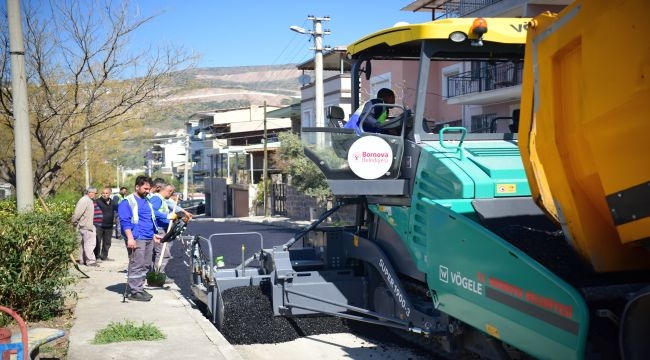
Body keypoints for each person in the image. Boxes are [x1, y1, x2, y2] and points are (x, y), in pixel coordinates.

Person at [118, 175, 165, 302]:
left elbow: (150, 218)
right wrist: (130, 238)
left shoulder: (147, 201)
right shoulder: (127, 201)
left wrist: (154, 234)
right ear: (137, 187)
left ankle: (140, 287)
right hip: (136, 237)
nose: (148, 191)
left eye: (149, 189)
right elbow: (124, 221)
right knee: (136, 264)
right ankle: (134, 291)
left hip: (149, 237)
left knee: (145, 265)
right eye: (145, 188)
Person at [149, 183, 187, 274]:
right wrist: (167, 216)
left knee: (158, 253)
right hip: (159, 229)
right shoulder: (157, 199)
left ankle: (154, 273)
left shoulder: (161, 199)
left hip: (162, 228)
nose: (171, 195)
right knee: (163, 254)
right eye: (171, 193)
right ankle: (158, 275)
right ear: (169, 191)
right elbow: (151, 211)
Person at [71, 187, 99, 267]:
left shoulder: (87, 200)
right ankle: (90, 261)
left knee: (84, 245)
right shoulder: (85, 200)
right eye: (94, 193)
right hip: (86, 226)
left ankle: (83, 260)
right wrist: (74, 221)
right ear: (90, 192)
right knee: (90, 244)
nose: (95, 195)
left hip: (84, 225)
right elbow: (77, 213)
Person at [94, 187, 116, 261]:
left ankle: (104, 256)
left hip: (109, 225)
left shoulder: (113, 202)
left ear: (110, 194)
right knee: (97, 241)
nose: (104, 194)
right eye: (103, 193)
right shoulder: (97, 201)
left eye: (106, 193)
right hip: (99, 225)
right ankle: (96, 256)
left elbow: (115, 211)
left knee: (107, 242)